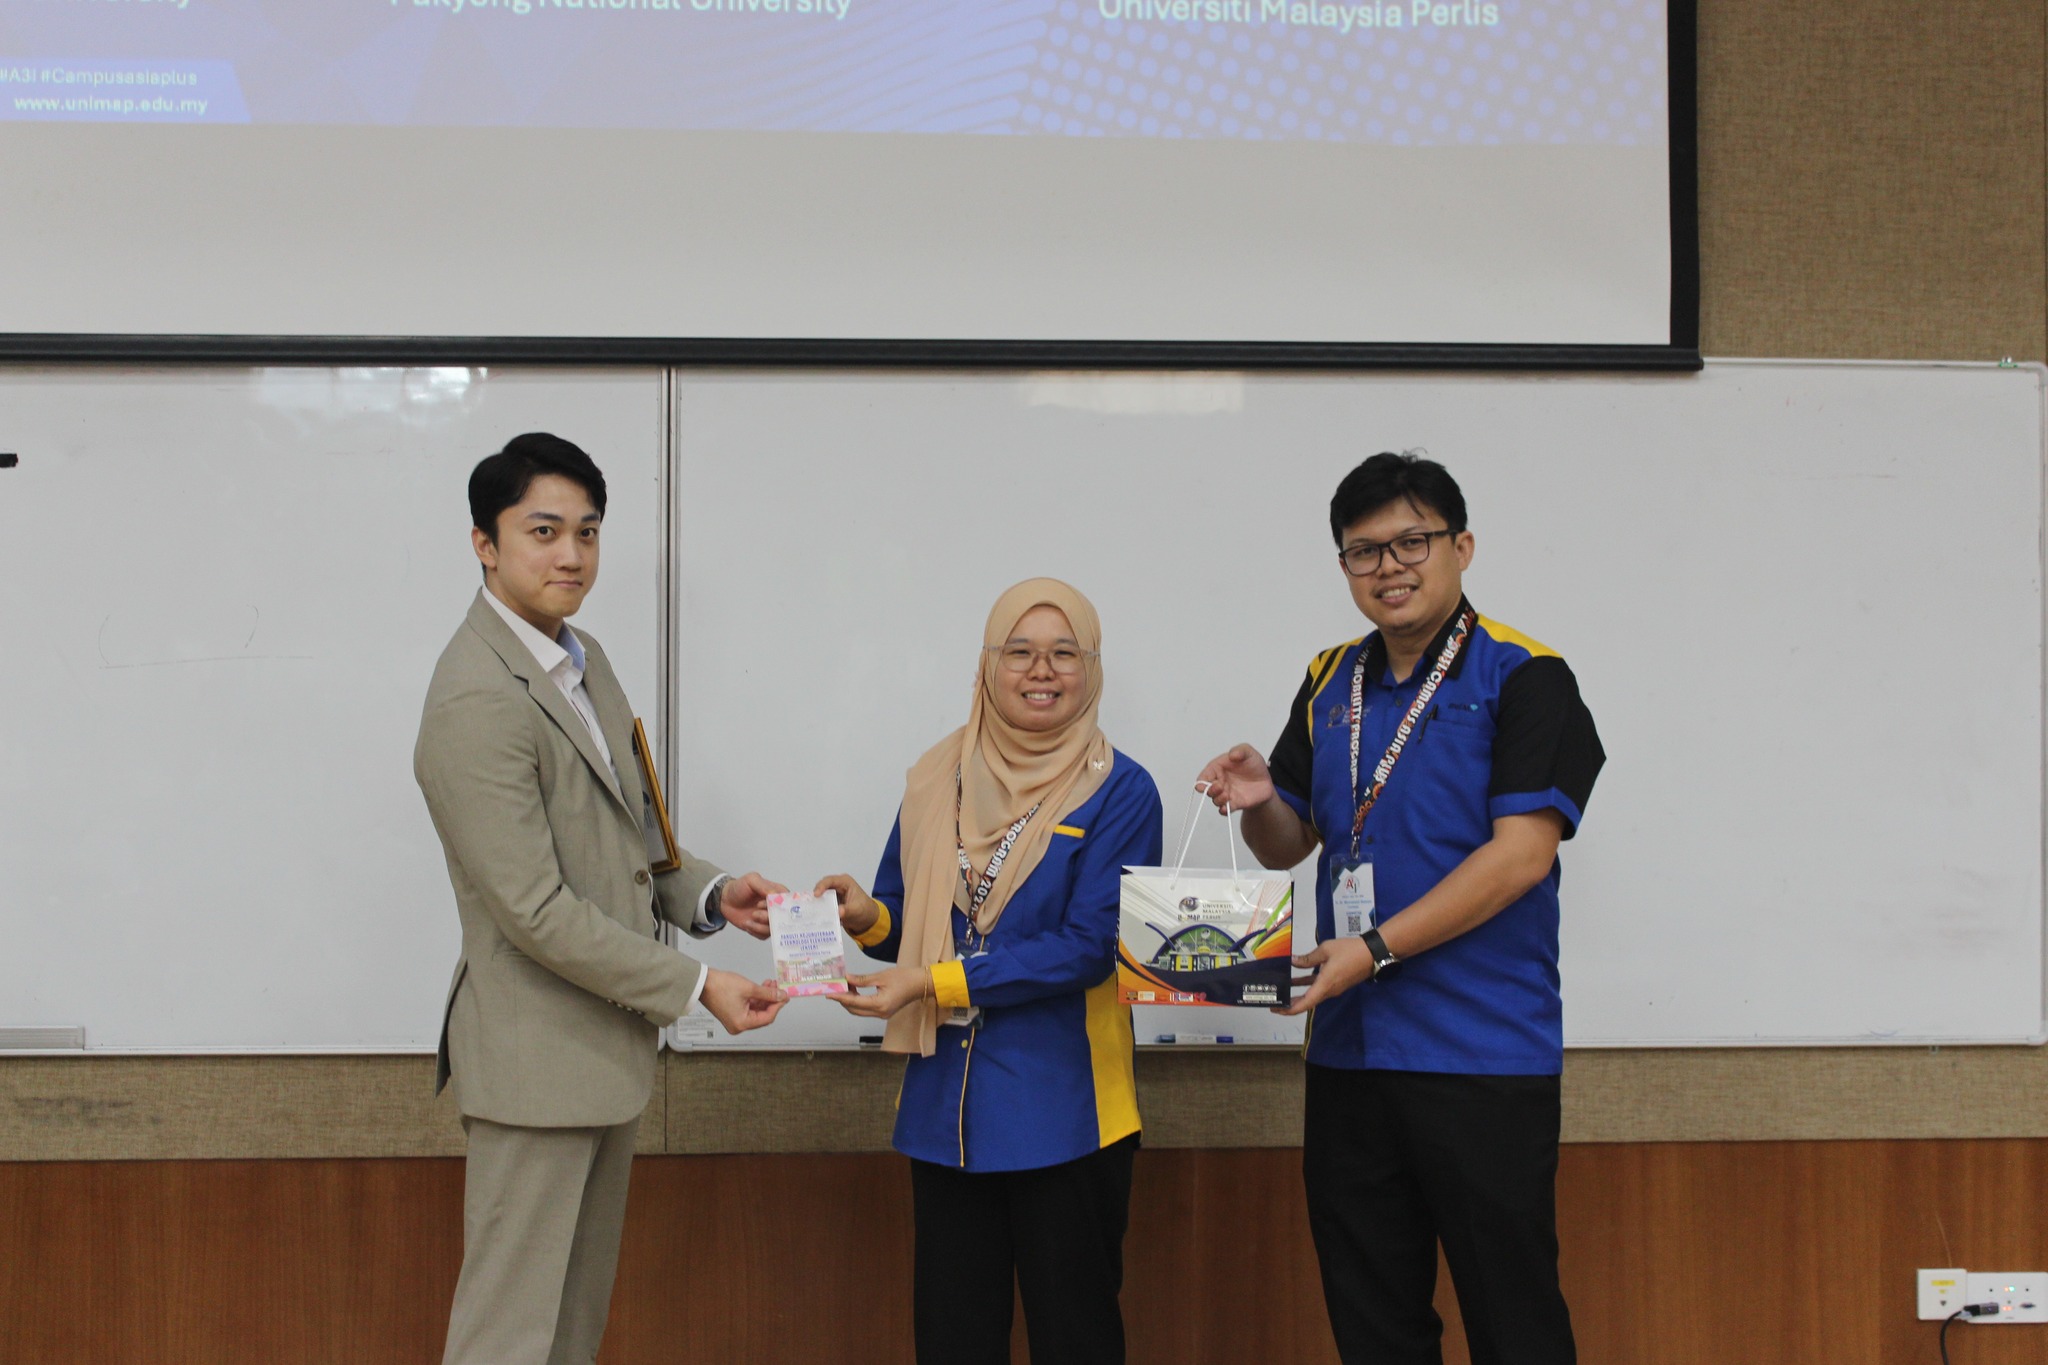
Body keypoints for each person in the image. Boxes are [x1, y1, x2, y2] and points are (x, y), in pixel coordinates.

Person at [1197, 451, 1605, 1365]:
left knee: (1514, 1321)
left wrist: (1372, 948)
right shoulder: (1328, 677)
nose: (1389, 566)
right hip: (1350, 1051)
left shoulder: (1526, 674)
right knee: (1373, 1320)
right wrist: (1259, 800)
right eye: (1363, 550)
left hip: (1481, 1052)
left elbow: (1522, 855)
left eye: (1411, 541)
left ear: (1462, 546)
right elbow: (1289, 844)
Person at [413, 432, 788, 1365]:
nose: (572, 554)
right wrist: (696, 985)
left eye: (586, 532)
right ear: (484, 543)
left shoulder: (587, 662)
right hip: (533, 1061)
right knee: (507, 1339)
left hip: (601, 1054)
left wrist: (714, 892)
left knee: (569, 1334)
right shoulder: (475, 697)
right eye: (543, 531)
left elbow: (633, 837)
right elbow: (534, 909)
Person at [815, 578, 1163, 1365]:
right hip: (946, 1115)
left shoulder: (1122, 789)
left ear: (1091, 667)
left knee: (1075, 1340)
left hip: (1068, 1114)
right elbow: (905, 919)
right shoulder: (938, 777)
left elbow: (1089, 946)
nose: (1041, 670)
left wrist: (934, 983)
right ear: (988, 665)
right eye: (1019, 651)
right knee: (953, 1341)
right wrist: (864, 915)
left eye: (1064, 652)